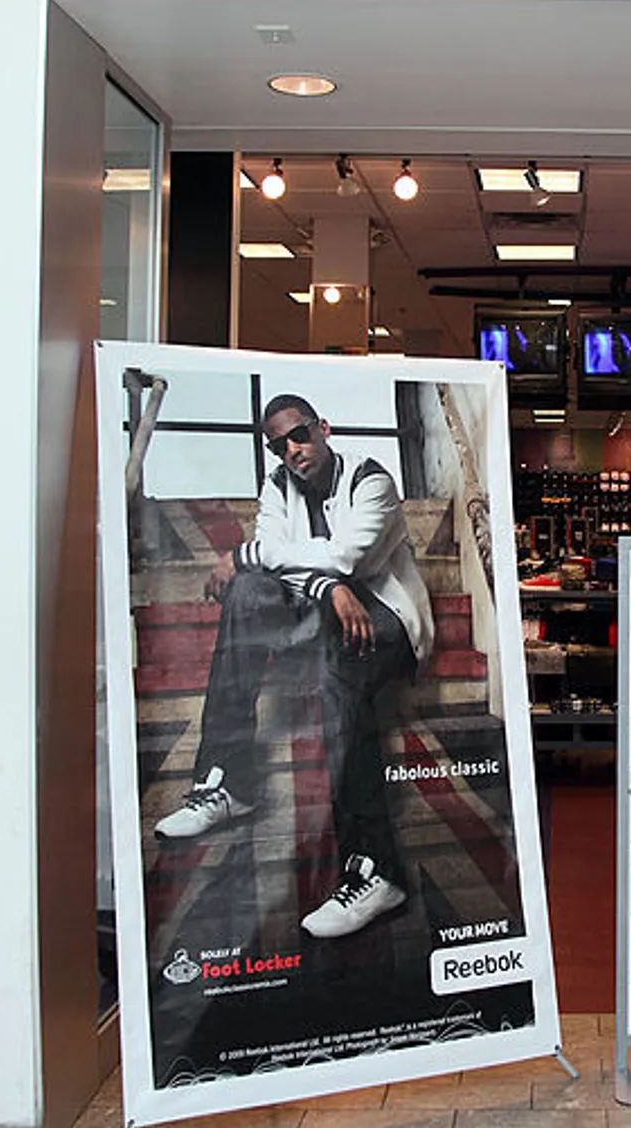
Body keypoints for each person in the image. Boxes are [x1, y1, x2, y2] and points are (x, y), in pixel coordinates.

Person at [153, 393, 434, 941]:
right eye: (279, 444)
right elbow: (307, 563)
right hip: (323, 603)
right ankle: (228, 783)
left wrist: (245, 554)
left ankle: (376, 870)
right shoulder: (277, 486)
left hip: (386, 614)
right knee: (245, 596)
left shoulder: (372, 480)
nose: (292, 450)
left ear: (323, 428)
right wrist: (322, 586)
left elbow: (346, 557)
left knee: (337, 670)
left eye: (300, 435)